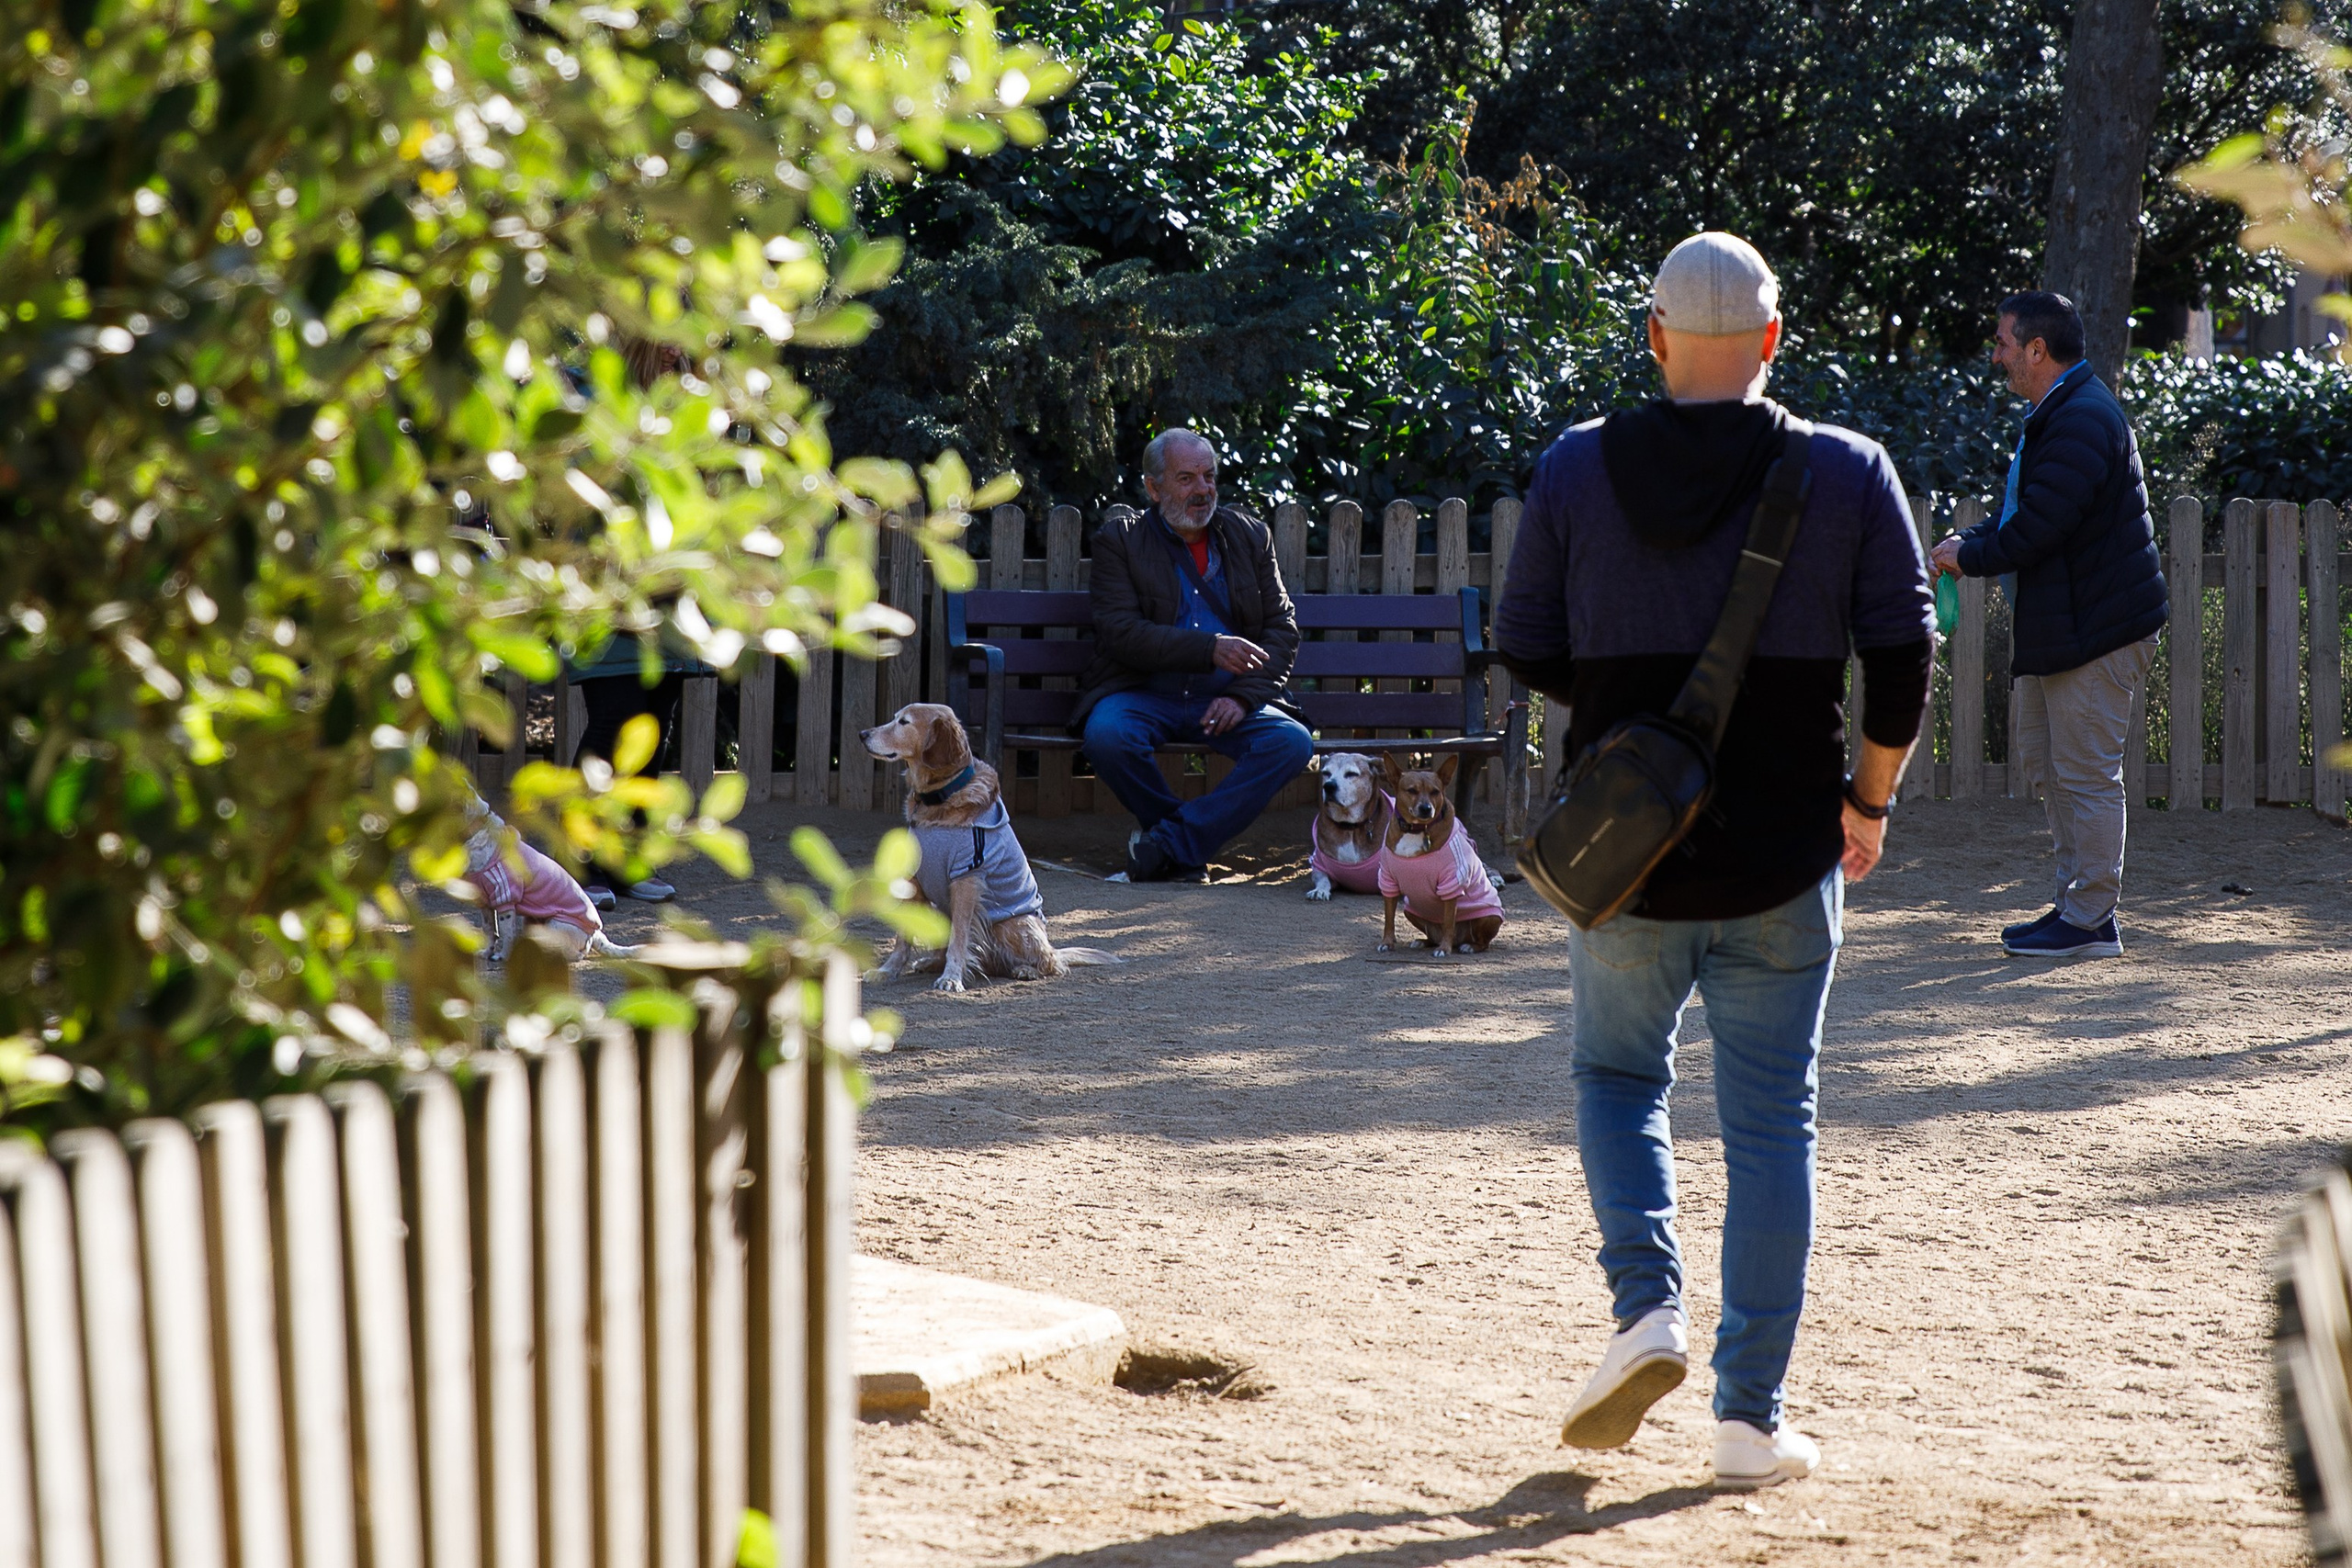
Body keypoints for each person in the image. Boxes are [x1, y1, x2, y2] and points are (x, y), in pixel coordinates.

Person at [1496, 232, 1934, 1489]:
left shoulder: (1576, 468)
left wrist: (1640, 724)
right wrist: (1871, 801)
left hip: (1627, 856)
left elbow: (1523, 642)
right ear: (1773, 342)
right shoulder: (1849, 470)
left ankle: (1645, 1307)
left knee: (1618, 1075)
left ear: (1655, 338)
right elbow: (1905, 655)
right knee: (1770, 1125)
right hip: (1788, 854)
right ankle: (1750, 1417)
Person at [1929, 291, 2167, 959]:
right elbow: (2027, 515)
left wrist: (1968, 555)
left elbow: (2038, 528)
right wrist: (1967, 541)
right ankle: (2077, 906)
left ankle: (2091, 918)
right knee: (2049, 763)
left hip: (2099, 628)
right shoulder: (2060, 412)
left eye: (2004, 342)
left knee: (2086, 774)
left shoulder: (2083, 418)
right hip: (2070, 625)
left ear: (2038, 349)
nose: (1997, 354)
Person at [1075, 429, 1314, 883]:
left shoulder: (1250, 536)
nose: (1203, 490)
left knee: (1292, 742)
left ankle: (1167, 846)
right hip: (1143, 692)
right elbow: (1121, 633)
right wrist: (1209, 649)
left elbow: (1282, 629)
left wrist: (1243, 698)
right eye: (1186, 478)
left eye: (1209, 477)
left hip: (1225, 699)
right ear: (1153, 487)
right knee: (1106, 734)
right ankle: (1183, 849)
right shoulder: (1119, 542)